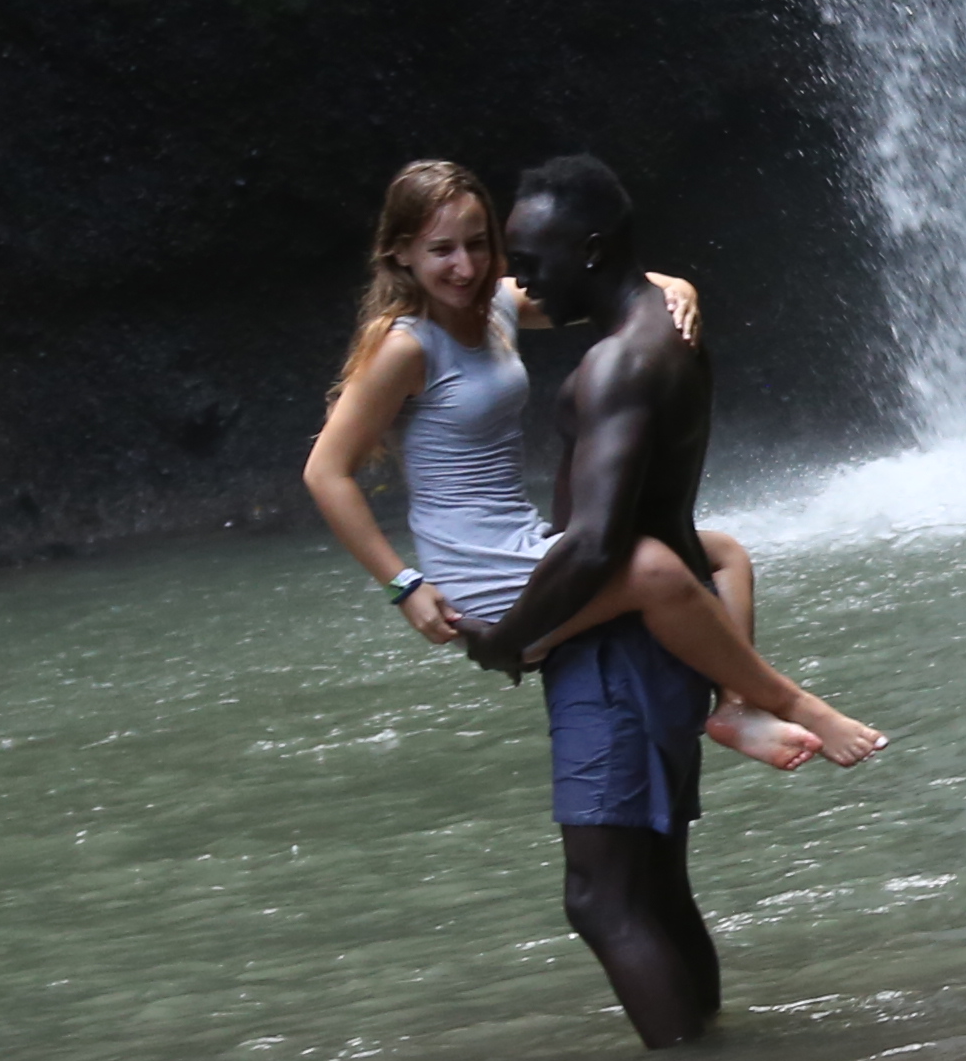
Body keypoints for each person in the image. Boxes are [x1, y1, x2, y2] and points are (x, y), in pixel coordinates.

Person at [297, 157, 883, 766]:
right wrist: (405, 586)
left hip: (519, 537)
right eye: (441, 250)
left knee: (725, 553)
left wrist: (680, 287)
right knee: (655, 569)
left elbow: (599, 285)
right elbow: (325, 472)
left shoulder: (493, 304)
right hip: (475, 567)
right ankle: (796, 703)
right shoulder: (405, 346)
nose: (465, 266)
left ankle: (736, 707)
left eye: (478, 244)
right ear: (400, 255)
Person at [463, 156, 757, 1042]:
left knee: (600, 897)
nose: (520, 279)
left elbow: (595, 542)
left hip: (620, 651)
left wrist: (512, 638)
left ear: (589, 250)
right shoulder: (671, 329)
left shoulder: (617, 366)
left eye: (532, 257)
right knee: (658, 882)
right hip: (670, 637)